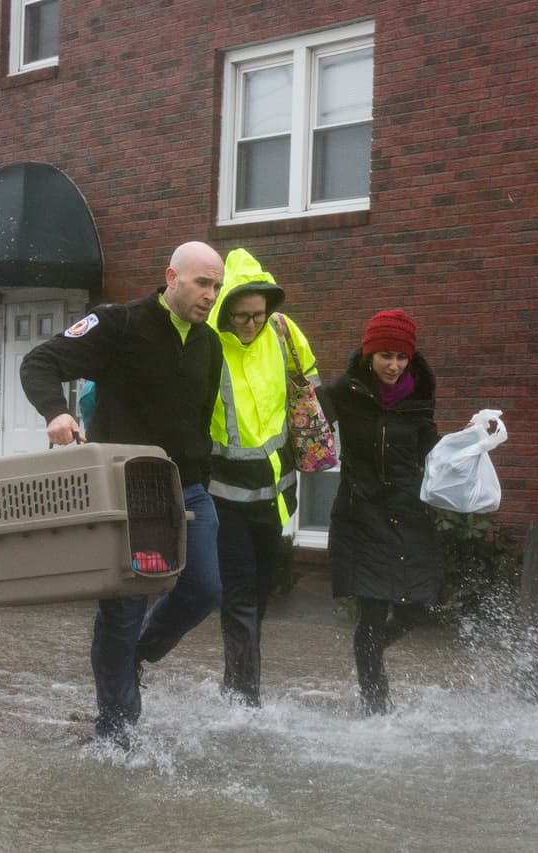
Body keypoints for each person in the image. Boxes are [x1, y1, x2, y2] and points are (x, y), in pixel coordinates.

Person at [19, 241, 225, 748]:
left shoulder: (209, 344)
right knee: (124, 608)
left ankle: (136, 656)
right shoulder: (119, 325)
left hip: (187, 487)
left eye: (217, 286)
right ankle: (117, 730)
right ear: (171, 277)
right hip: (126, 487)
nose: (211, 295)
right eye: (203, 283)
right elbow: (38, 363)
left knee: (204, 589)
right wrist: (55, 413)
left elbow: (198, 417)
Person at [206, 248, 325, 706]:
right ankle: (244, 696)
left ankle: (237, 681)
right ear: (226, 311)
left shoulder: (282, 330)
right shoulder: (208, 343)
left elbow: (308, 385)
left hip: (276, 495)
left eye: (258, 314)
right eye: (240, 316)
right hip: (224, 495)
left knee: (259, 593)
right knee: (238, 596)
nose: (250, 324)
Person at [325, 308, 443, 715]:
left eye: (401, 357)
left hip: (409, 515)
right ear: (369, 353)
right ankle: (375, 706)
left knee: (416, 608)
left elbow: (430, 445)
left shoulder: (419, 396)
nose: (393, 366)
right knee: (372, 611)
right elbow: (308, 420)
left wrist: (467, 449)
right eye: (385, 356)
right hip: (362, 516)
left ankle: (369, 651)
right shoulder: (346, 390)